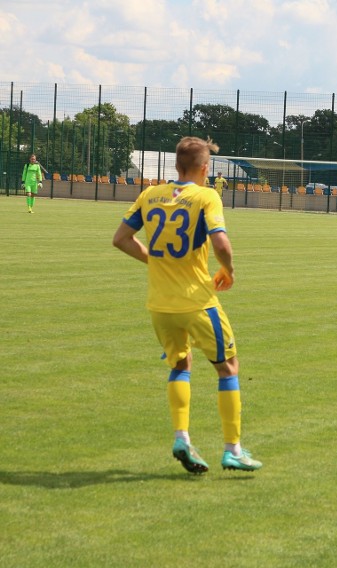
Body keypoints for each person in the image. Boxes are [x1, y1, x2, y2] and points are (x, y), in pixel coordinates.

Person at [112, 136, 262, 474]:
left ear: (176, 165)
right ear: (205, 168)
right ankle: (233, 450)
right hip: (197, 301)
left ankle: (182, 437)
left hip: (159, 304)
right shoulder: (206, 196)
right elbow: (221, 242)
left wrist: (154, 259)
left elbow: (120, 239)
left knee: (181, 365)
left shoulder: (150, 194)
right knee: (229, 367)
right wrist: (229, 270)